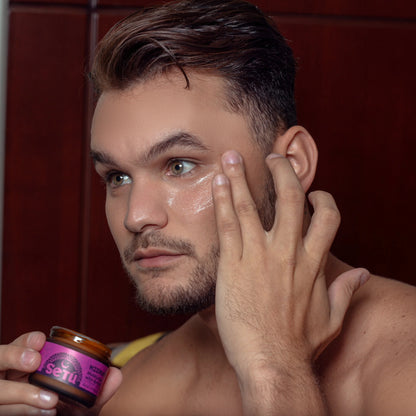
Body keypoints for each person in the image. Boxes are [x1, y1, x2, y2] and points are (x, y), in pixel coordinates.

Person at [1, 0, 416, 414]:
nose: (136, 216)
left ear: (292, 164)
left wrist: (275, 370)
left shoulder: (402, 366)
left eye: (179, 165)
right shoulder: (138, 387)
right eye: (117, 177)